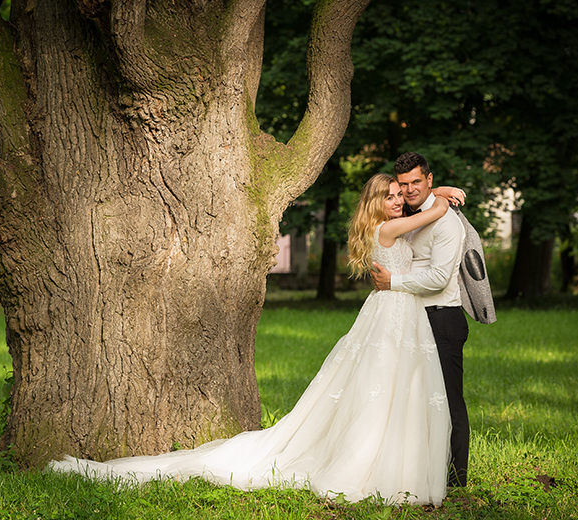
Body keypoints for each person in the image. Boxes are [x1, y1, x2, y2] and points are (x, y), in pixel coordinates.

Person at [50, 173, 463, 505]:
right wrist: (438, 192)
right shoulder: (390, 227)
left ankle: (391, 461)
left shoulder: (383, 227)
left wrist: (428, 192)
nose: (398, 199)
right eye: (390, 195)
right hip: (393, 311)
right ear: (376, 203)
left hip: (396, 312)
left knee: (393, 388)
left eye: (400, 194)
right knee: (385, 387)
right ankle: (373, 467)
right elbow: (435, 211)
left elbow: (421, 215)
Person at [370, 152, 470, 488]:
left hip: (442, 319)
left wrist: (392, 283)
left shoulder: (446, 223)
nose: (409, 190)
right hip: (412, 320)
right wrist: (436, 192)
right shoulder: (410, 214)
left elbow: (440, 278)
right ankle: (423, 471)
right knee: (417, 399)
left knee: (448, 401)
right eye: (403, 185)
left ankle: (456, 480)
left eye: (417, 182)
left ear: (428, 179)